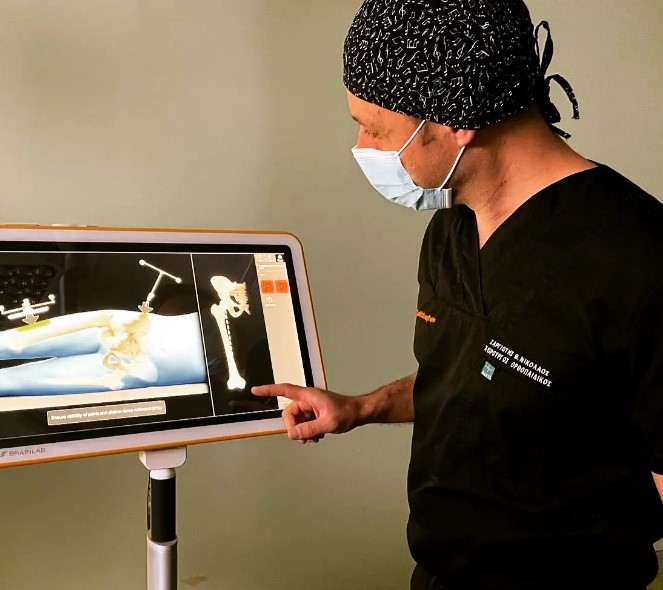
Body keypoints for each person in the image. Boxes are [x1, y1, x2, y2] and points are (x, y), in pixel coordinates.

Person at [252, 1, 663, 589]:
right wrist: (361, 408)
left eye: (375, 128)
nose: (362, 146)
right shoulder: (451, 227)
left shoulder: (638, 261)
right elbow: (471, 374)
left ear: (456, 119)